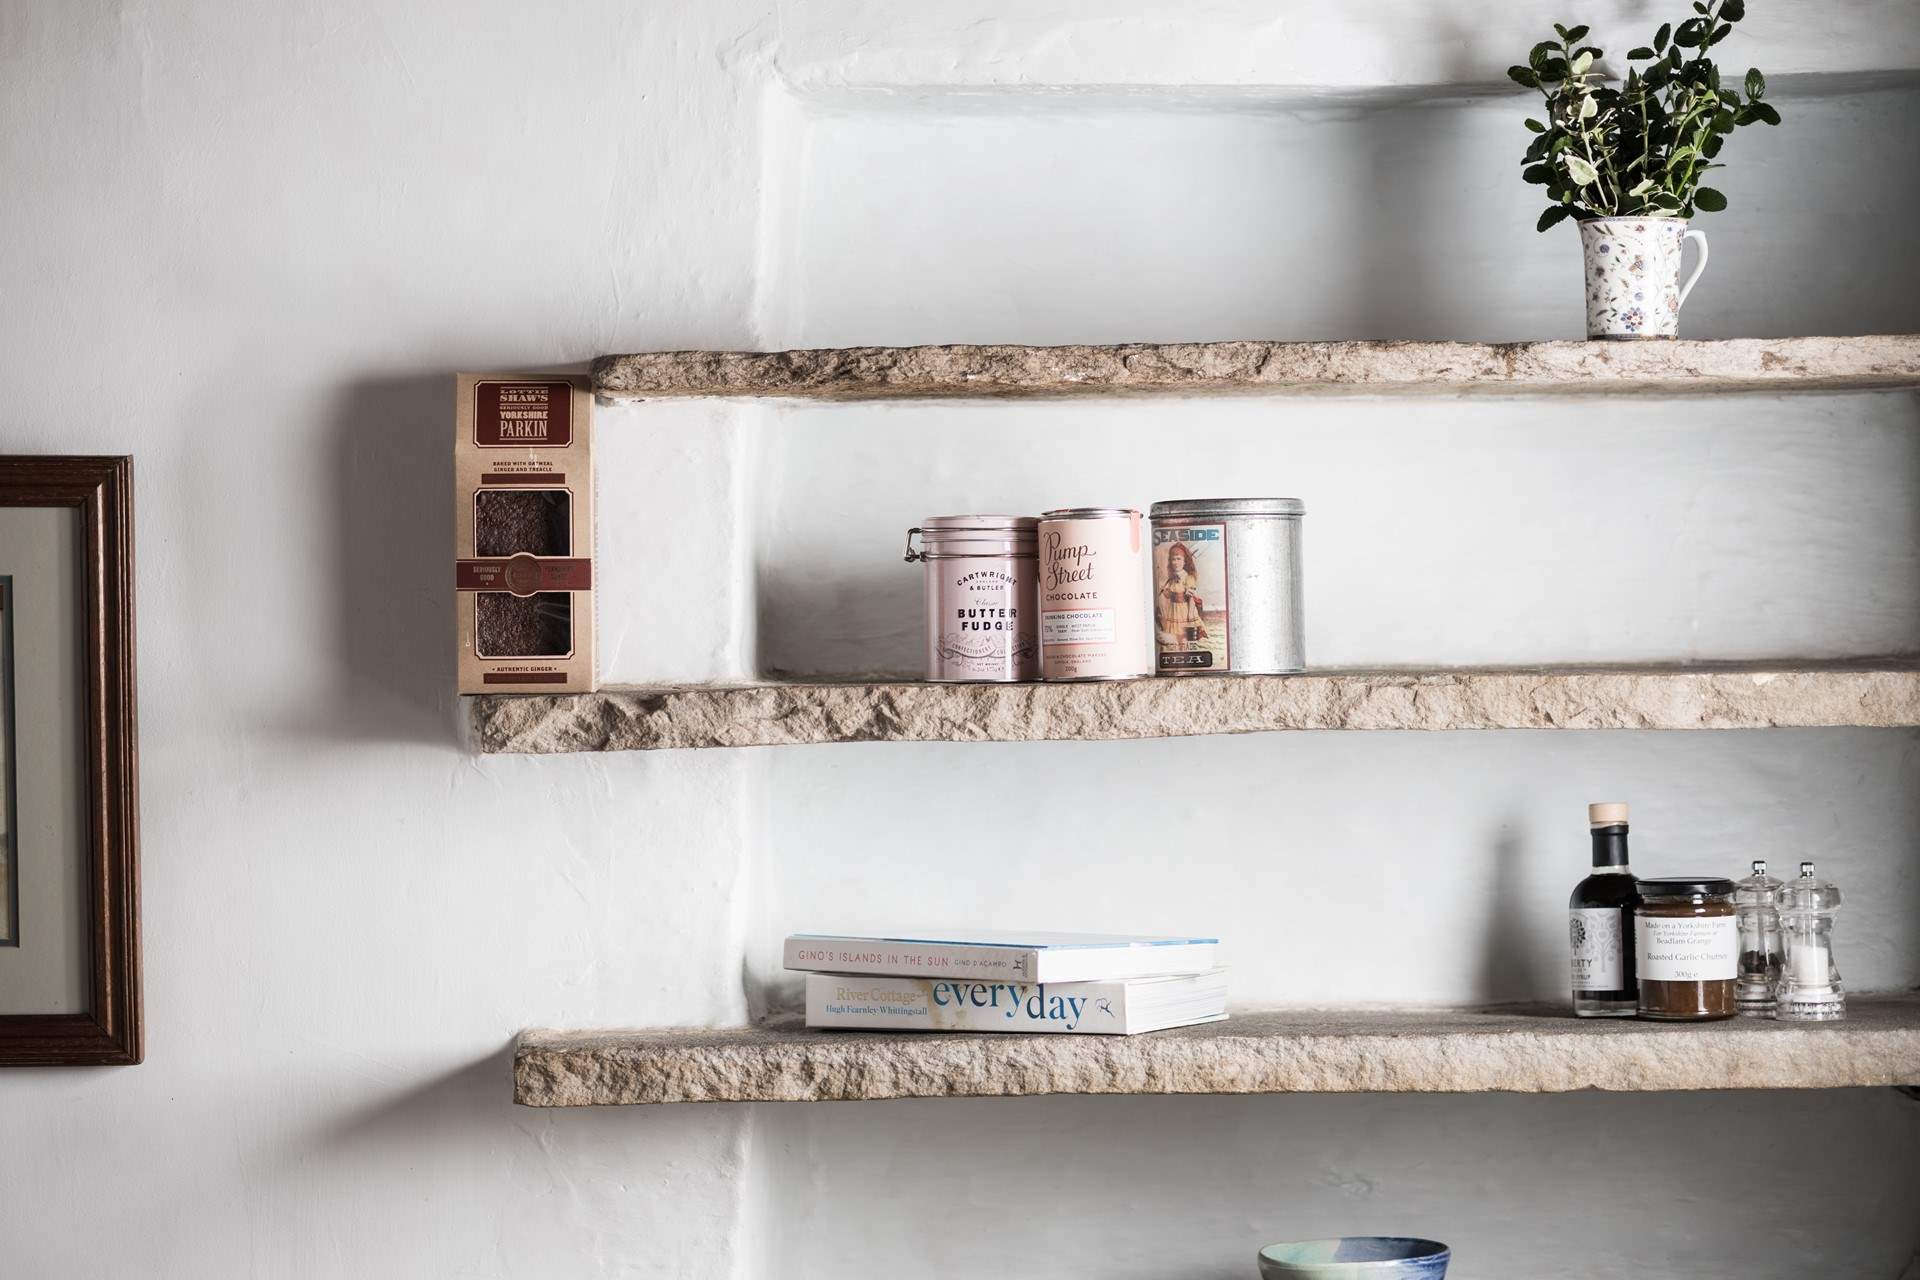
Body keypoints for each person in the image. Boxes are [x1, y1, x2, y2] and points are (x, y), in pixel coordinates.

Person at [1156, 541, 1208, 650]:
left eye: (1179, 559)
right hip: (1173, 610)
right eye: (1173, 559)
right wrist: (1164, 591)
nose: (1175, 562)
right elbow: (1168, 595)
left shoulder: (1189, 578)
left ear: (1185, 562)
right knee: (1174, 636)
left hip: (1185, 609)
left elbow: (1192, 598)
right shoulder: (1172, 579)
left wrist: (1189, 615)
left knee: (1185, 636)